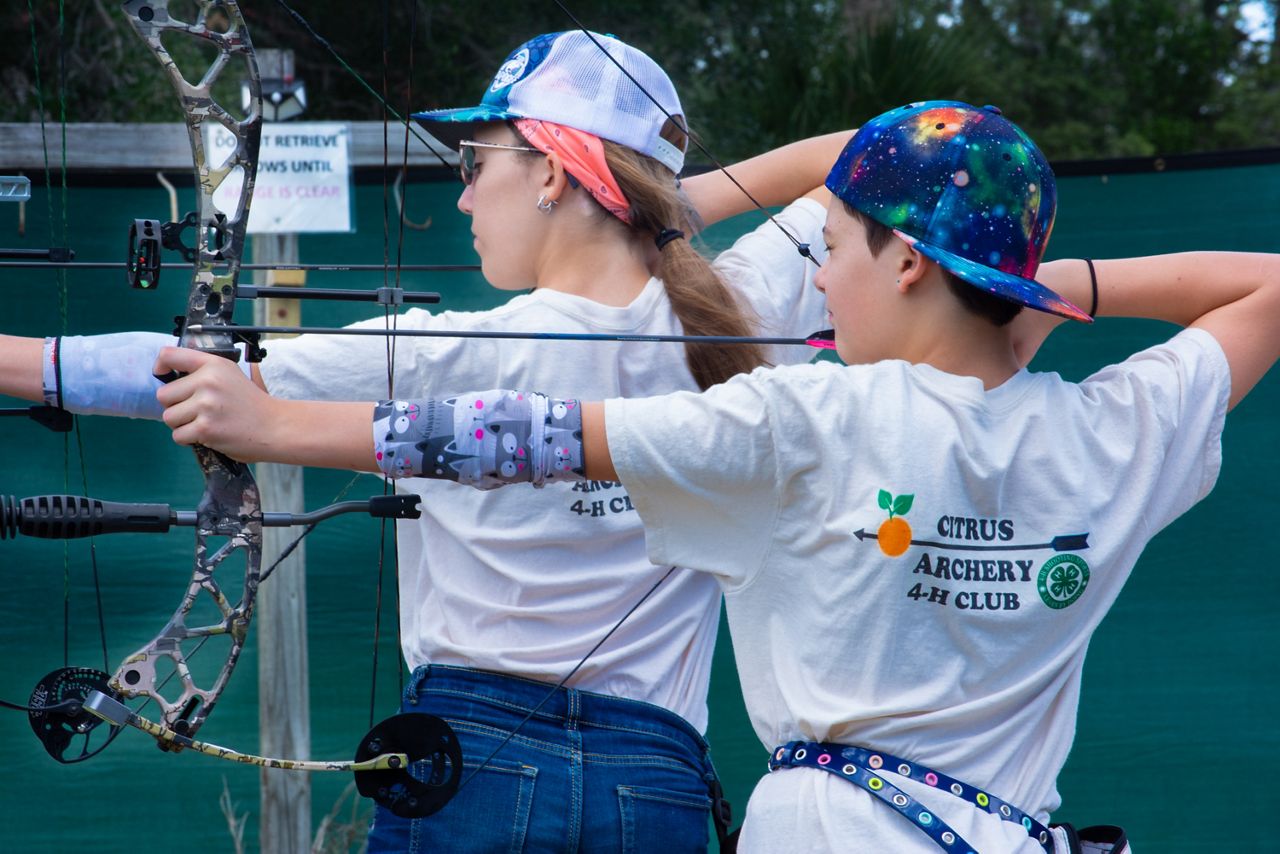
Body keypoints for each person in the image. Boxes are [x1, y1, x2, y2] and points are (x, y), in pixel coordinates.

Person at [150, 100, 1280, 853]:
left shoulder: (803, 416)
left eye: (833, 249)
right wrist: (1022, 293)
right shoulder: (1112, 433)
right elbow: (1265, 287)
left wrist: (272, 421)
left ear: (901, 259)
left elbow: (524, 435)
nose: (819, 284)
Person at [0, 30, 851, 852]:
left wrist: (653, 203)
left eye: (477, 166)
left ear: (553, 171)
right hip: (655, 778)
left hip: (472, 761)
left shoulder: (456, 353)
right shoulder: (745, 307)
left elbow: (165, 373)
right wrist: (663, 207)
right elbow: (882, 150)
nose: (465, 196)